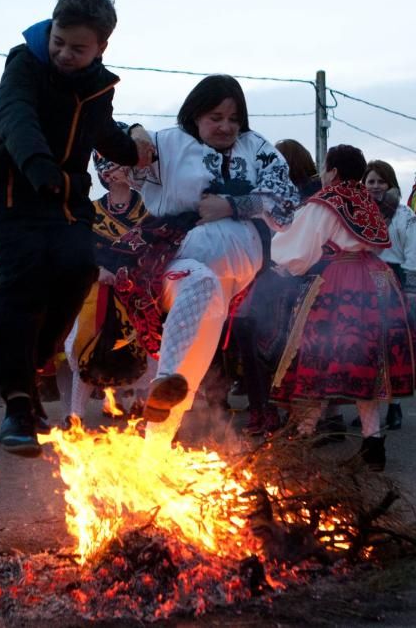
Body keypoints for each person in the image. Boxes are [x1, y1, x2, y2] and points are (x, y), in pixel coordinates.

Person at [0, 0, 153, 456]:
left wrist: (132, 150)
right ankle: (16, 406)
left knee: (79, 269)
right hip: (12, 195)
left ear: (100, 48)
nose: (64, 54)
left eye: (78, 48)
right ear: (50, 29)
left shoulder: (98, 87)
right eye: (59, 40)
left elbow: (101, 131)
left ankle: (32, 365)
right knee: (24, 278)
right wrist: (39, 167)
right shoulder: (24, 63)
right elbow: (15, 116)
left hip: (65, 201)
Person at [114, 74, 297, 444]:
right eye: (216, 117)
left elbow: (285, 204)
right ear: (195, 114)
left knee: (197, 354)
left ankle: (157, 442)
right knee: (198, 282)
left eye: (233, 118)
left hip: (234, 278)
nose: (226, 126)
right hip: (175, 260)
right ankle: (164, 379)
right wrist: (134, 132)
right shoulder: (166, 145)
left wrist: (233, 205)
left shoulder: (256, 148)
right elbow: (105, 150)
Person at [268, 144, 414, 471]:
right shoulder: (366, 201)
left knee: (318, 357)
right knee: (366, 362)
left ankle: (301, 437)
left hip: (340, 282)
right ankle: (372, 442)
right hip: (378, 281)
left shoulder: (327, 202)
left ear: (332, 170)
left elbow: (298, 250)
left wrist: (282, 265)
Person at [234, 139, 320, 436]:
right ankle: (261, 408)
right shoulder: (269, 195)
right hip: (264, 277)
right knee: (247, 334)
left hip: (296, 280)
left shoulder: (313, 201)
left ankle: (280, 410)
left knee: (283, 348)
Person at [63, 154, 151, 426]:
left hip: (139, 290)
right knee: (86, 347)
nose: (113, 172)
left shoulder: (149, 207)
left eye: (118, 165)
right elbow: (79, 248)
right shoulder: (91, 211)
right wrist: (97, 270)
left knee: (145, 346)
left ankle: (142, 406)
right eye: (106, 167)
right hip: (98, 289)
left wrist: (138, 275)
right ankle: (75, 414)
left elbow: (157, 247)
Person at [361, 160, 416, 429]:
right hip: (361, 284)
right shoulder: (357, 213)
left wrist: (411, 290)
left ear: (390, 185)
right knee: (366, 347)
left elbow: (415, 253)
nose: (375, 187)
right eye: (371, 181)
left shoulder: (403, 215)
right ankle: (369, 408)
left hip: (392, 283)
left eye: (381, 182)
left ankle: (395, 406)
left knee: (391, 347)